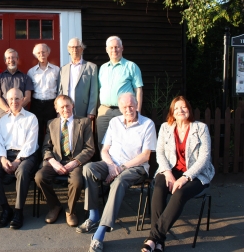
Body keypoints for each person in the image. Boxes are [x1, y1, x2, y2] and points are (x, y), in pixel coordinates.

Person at [77, 93, 157, 252]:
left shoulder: (147, 124)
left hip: (136, 167)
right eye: (125, 107)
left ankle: (100, 233)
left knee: (119, 181)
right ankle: (93, 216)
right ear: (120, 108)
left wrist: (120, 168)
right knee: (88, 168)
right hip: (112, 163)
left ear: (136, 105)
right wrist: (112, 166)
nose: (129, 109)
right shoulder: (114, 122)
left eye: (131, 106)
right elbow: (105, 149)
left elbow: (145, 156)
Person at [141, 96, 215, 252]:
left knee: (179, 193)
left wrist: (185, 177)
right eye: (176, 108)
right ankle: (159, 243)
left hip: (196, 174)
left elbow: (204, 158)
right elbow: (159, 153)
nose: (180, 110)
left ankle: (154, 238)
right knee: (159, 188)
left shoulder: (200, 128)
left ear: (189, 109)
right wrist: (167, 173)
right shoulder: (165, 127)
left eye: (184, 107)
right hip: (170, 169)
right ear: (172, 113)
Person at [35, 95, 95, 227]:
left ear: (72, 105)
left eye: (67, 105)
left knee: (77, 181)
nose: (65, 109)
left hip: (75, 161)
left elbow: (90, 148)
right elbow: (46, 147)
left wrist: (75, 162)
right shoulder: (52, 123)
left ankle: (70, 210)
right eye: (61, 107)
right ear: (56, 109)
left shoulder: (84, 122)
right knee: (40, 177)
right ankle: (54, 206)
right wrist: (53, 162)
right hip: (56, 160)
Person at [0, 88, 39, 230]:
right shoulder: (3, 120)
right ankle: (5, 209)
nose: (14, 102)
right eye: (11, 99)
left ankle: (18, 211)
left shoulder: (31, 118)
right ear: (7, 101)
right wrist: (2, 159)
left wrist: (17, 161)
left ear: (22, 100)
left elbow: (30, 144)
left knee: (21, 171)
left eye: (17, 98)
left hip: (26, 155)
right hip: (7, 155)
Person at [96, 36, 143, 150]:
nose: (114, 50)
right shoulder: (103, 68)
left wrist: (137, 111)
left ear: (122, 48)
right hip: (104, 111)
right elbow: (99, 90)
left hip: (123, 111)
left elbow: (139, 90)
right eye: (111, 47)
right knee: (102, 143)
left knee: (122, 142)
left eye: (117, 47)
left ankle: (121, 167)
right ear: (107, 50)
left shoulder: (131, 66)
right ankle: (106, 166)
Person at [27, 43, 60, 147]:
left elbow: (60, 88)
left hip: (52, 104)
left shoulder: (56, 70)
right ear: (35, 55)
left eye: (43, 52)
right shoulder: (31, 72)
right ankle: (38, 156)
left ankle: (51, 153)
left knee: (52, 130)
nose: (41, 54)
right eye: (39, 53)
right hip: (37, 105)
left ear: (48, 52)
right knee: (37, 131)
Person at [59, 37, 98, 119]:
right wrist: (59, 108)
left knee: (81, 131)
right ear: (68, 50)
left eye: (77, 47)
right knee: (67, 130)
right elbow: (60, 91)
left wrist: (91, 111)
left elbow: (94, 92)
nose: (75, 50)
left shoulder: (91, 67)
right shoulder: (63, 69)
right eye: (72, 47)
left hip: (83, 109)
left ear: (82, 49)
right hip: (66, 108)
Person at [0, 48, 34, 119]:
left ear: (17, 59)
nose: (11, 60)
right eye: (8, 58)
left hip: (21, 114)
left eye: (13, 57)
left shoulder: (26, 78)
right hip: (4, 114)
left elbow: (27, 98)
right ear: (5, 61)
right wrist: (8, 110)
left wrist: (16, 109)